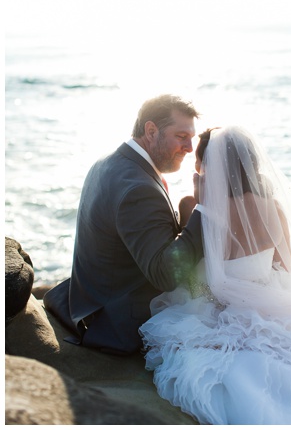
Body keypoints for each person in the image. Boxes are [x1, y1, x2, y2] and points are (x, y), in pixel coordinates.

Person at [139, 126, 291, 425]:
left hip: (213, 309)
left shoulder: (194, 206)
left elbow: (185, 267)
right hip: (267, 299)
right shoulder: (273, 208)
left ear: (206, 165)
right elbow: (285, 266)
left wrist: (199, 200)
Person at [43, 94, 205, 355]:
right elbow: (165, 275)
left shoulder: (109, 162)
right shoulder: (138, 188)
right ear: (151, 130)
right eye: (181, 136)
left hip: (92, 298)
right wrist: (202, 212)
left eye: (192, 138)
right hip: (119, 322)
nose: (189, 147)